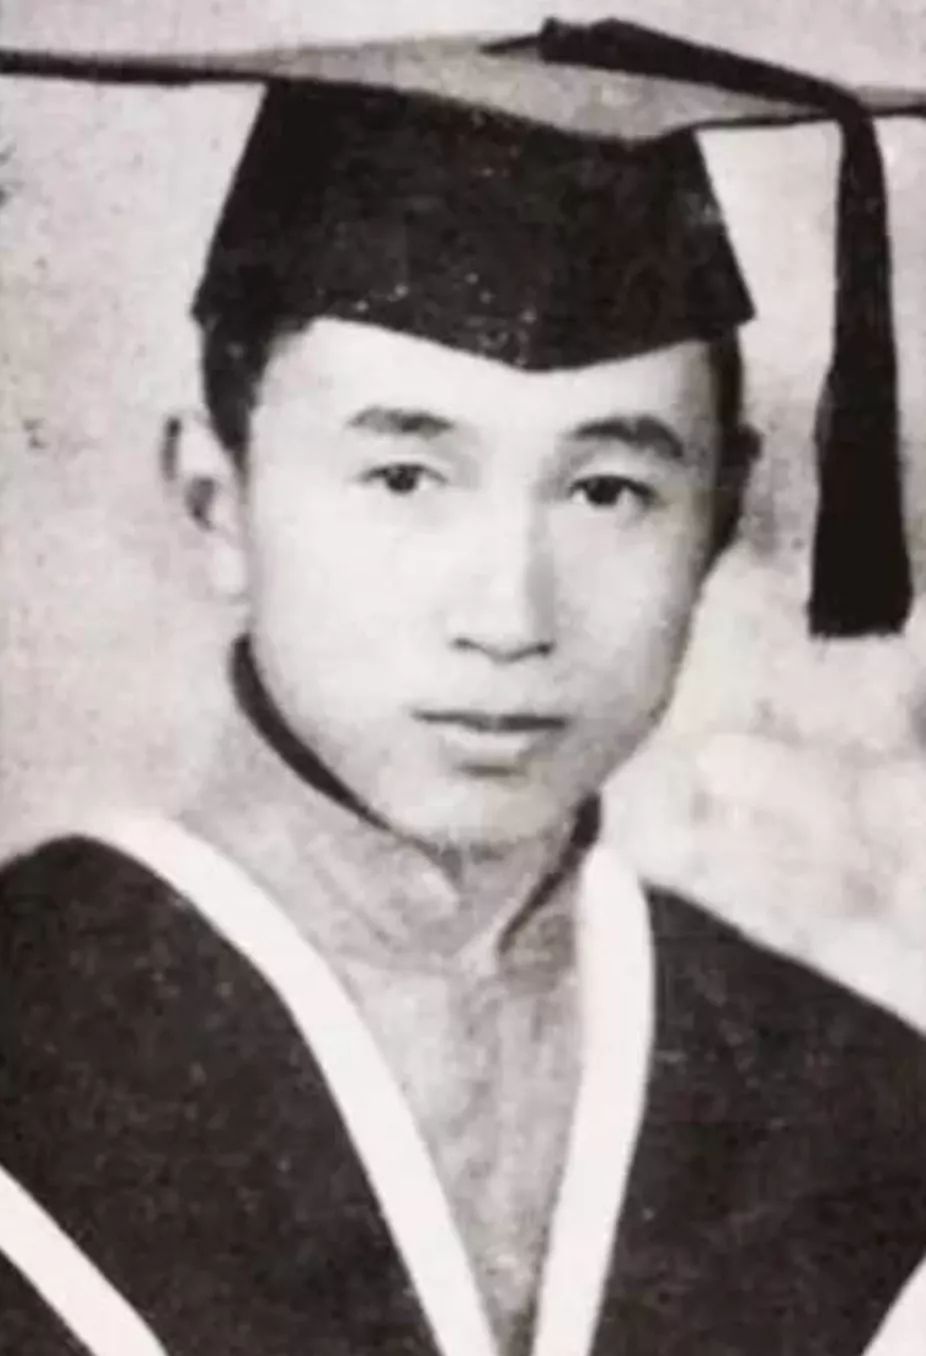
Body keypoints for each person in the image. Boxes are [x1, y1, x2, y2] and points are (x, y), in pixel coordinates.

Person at [0, 19, 925, 1356]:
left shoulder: (857, 1117)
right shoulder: (29, 1031)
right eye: (403, 477)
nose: (509, 617)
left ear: (720, 515)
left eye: (608, 491)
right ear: (216, 500)